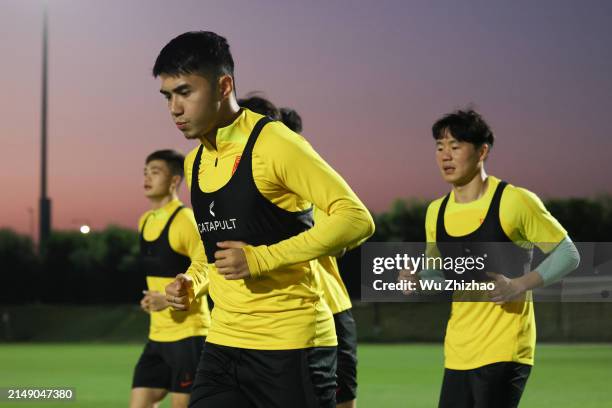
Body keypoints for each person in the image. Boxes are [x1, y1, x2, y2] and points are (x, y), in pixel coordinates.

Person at [153, 31, 374, 408]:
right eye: (168, 96)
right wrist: (192, 281)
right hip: (224, 344)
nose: (174, 107)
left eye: (185, 92)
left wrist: (261, 258)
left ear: (224, 85)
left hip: (291, 347)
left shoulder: (274, 143)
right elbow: (212, 255)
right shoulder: (195, 162)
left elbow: (355, 219)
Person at [401, 109, 580, 407]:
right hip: (458, 350)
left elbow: (567, 253)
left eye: (455, 147)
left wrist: (520, 284)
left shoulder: (514, 201)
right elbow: (445, 274)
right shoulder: (436, 211)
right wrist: (416, 279)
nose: (445, 156)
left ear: (482, 151)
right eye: (439, 147)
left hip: (505, 347)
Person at [240, 94, 358, 408]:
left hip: (326, 309)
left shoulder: (309, 190)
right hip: (271, 317)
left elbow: (349, 229)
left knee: (339, 400)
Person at [131, 149, 211, 408]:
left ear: (175, 181)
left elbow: (210, 268)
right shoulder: (145, 221)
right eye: (145, 172)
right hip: (157, 336)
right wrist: (152, 301)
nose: (147, 177)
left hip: (189, 336)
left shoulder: (186, 220)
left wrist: (167, 299)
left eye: (155, 172)